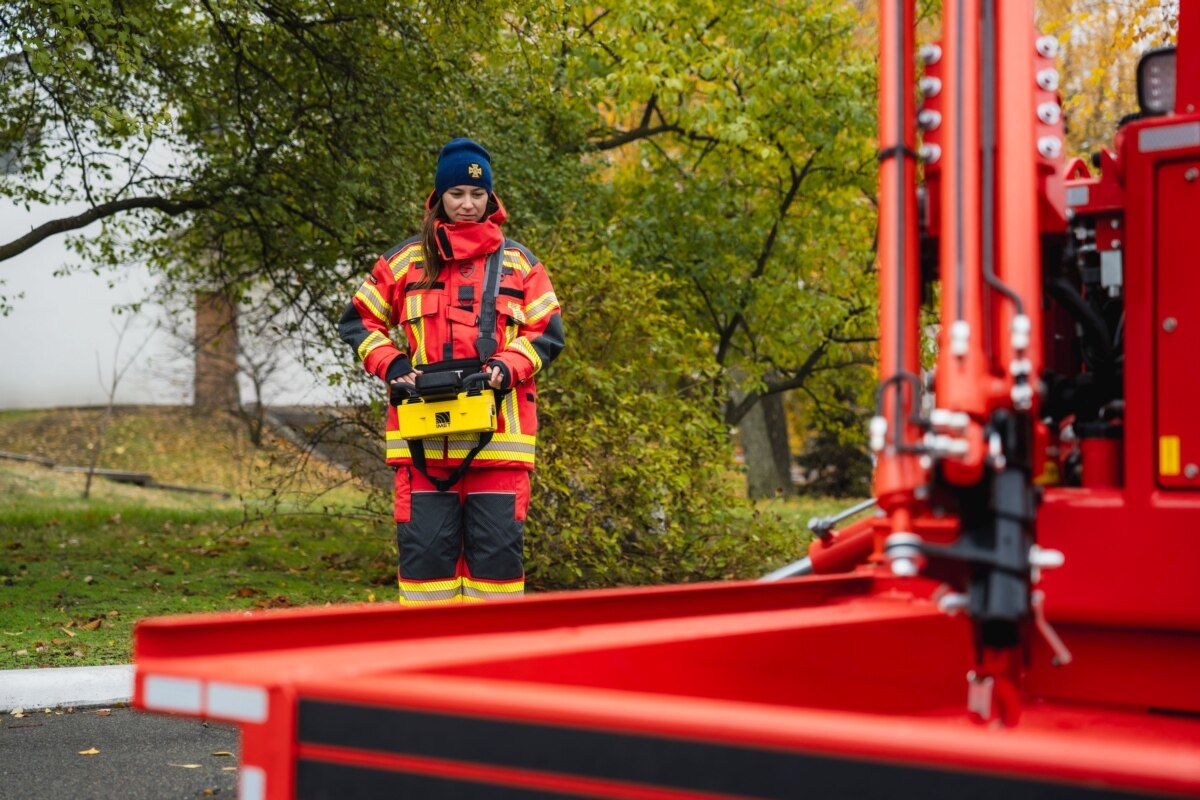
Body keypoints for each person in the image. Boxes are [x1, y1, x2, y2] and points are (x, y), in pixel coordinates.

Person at [339, 138, 564, 605]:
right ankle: (425, 669)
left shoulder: (521, 265)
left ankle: (492, 671)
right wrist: (394, 364)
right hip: (423, 445)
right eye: (457, 193)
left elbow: (548, 332)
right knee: (425, 570)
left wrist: (505, 367)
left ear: (491, 200)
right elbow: (358, 321)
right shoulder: (403, 263)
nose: (467, 204)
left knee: (498, 572)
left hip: (498, 443)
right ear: (438, 197)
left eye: (477, 194)